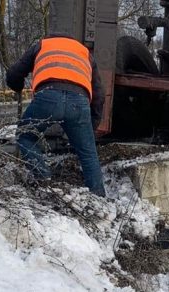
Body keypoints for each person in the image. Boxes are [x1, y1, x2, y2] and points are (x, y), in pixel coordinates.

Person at [6, 35, 106, 197]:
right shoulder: (84, 53)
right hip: (79, 103)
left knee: (25, 136)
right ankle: (99, 198)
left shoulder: (41, 45)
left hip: (48, 97)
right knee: (88, 153)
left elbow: (13, 74)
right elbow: (99, 96)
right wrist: (91, 127)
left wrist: (18, 86)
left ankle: (44, 178)